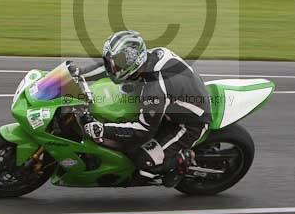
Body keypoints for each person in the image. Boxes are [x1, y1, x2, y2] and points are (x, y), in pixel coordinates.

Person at [77, 30, 212, 187]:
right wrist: (79, 74)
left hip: (189, 124)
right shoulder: (148, 57)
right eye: (112, 61)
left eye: (117, 63)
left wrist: (102, 129)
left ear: (133, 64)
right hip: (177, 99)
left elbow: (143, 130)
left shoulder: (154, 90)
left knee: (143, 160)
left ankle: (181, 160)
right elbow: (108, 68)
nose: (112, 67)